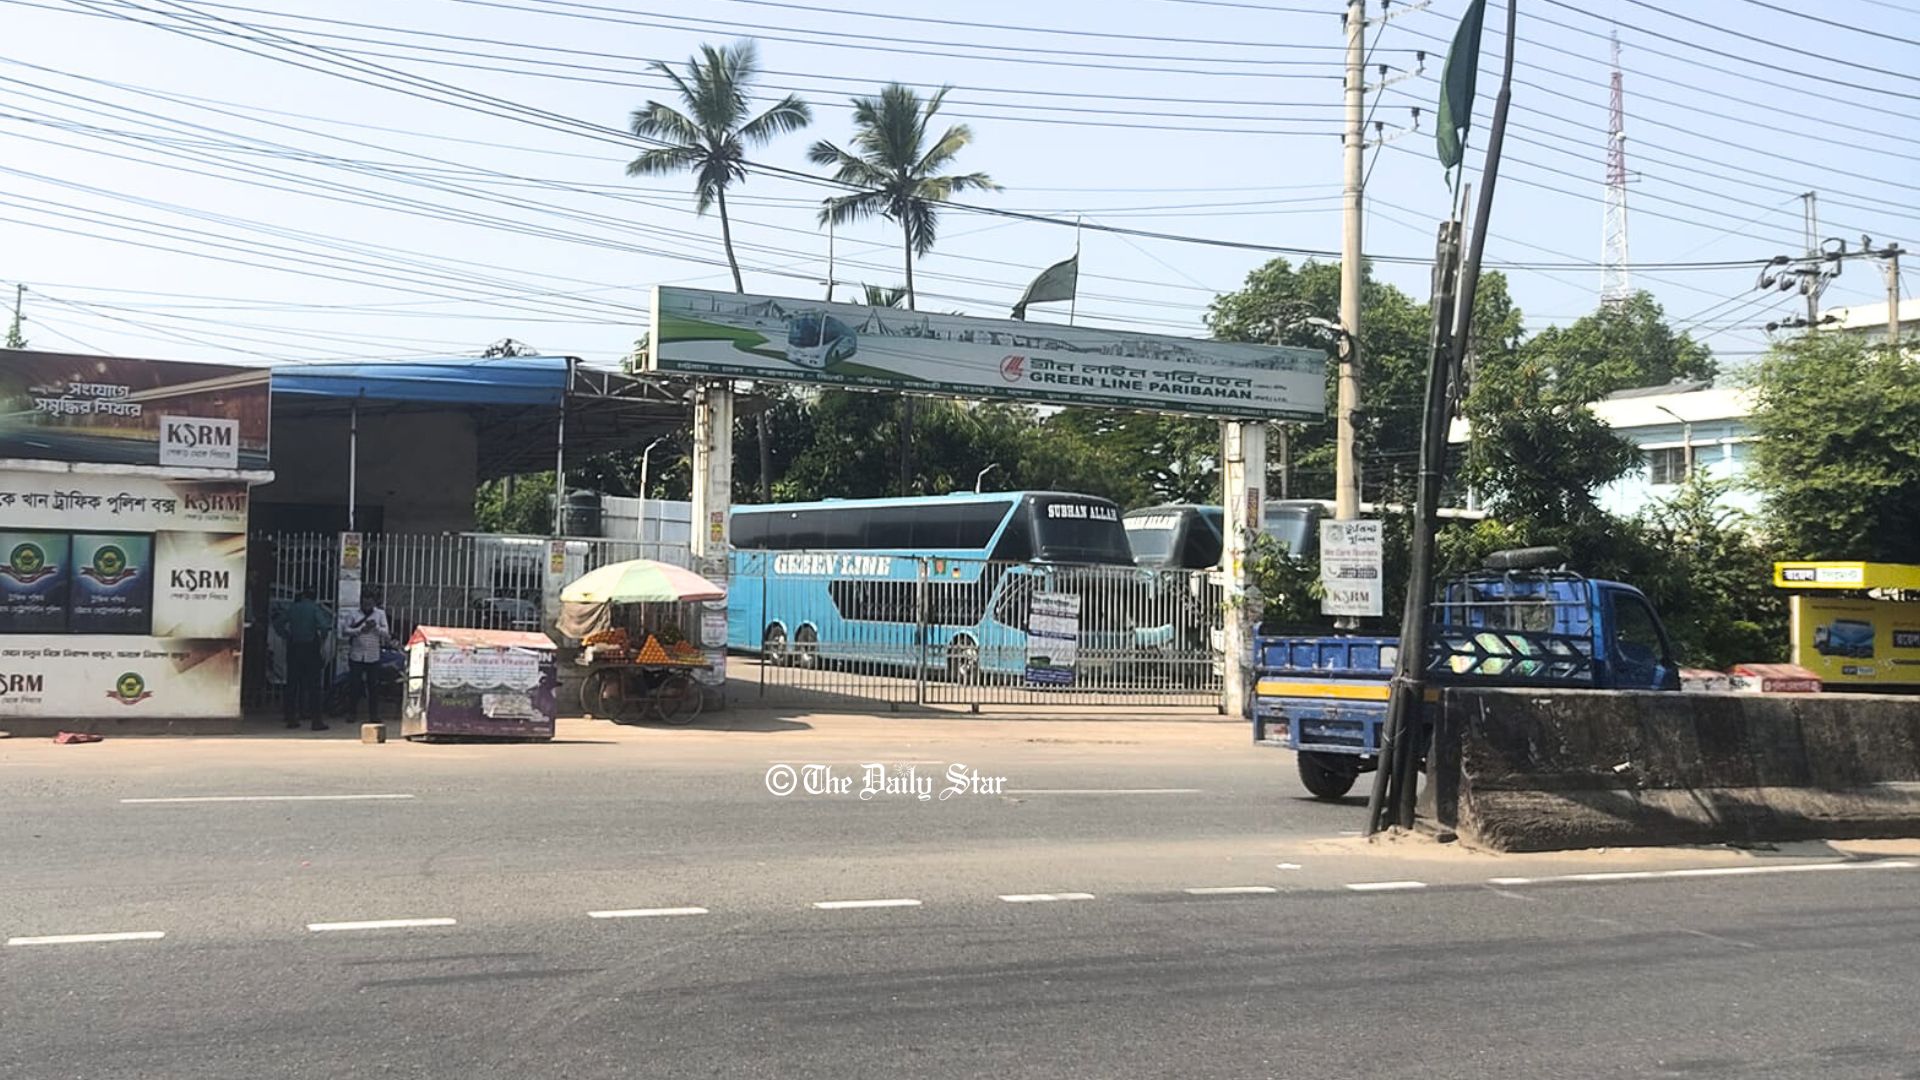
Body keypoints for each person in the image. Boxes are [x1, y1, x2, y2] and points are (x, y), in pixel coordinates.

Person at [281, 587, 330, 732]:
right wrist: (321, 640)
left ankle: (291, 719)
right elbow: (324, 626)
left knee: (292, 684)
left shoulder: (293, 608)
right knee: (314, 685)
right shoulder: (314, 608)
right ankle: (316, 721)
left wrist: (286, 635)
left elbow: (279, 623)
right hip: (310, 648)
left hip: (294, 647)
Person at [343, 593, 392, 725]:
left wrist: (374, 627)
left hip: (373, 655)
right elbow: (345, 631)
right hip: (356, 655)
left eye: (369, 603)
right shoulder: (353, 614)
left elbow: (386, 634)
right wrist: (360, 630)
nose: (367, 606)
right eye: (365, 603)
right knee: (354, 686)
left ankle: (374, 715)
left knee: (374, 687)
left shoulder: (380, 614)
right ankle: (351, 713)